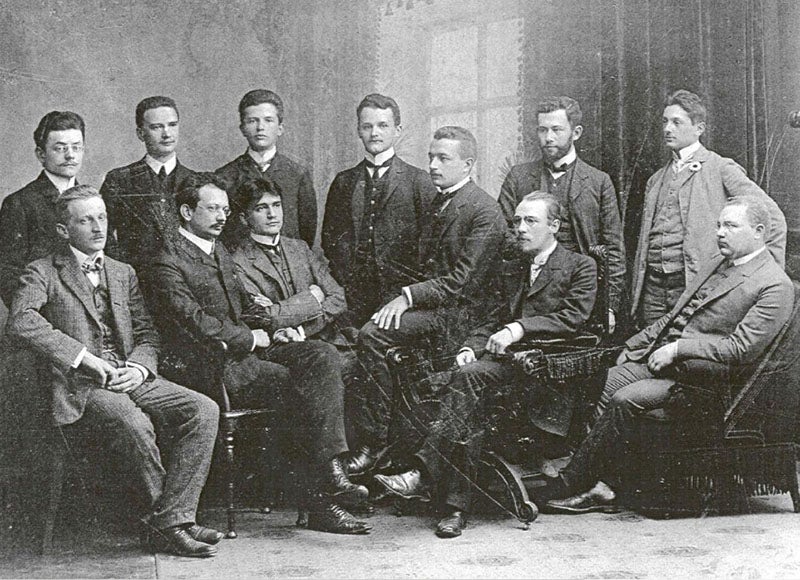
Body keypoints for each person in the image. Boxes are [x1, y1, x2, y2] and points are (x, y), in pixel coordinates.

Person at [5, 185, 221, 558]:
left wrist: (139, 367)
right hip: (81, 384)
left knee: (204, 410)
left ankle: (172, 518)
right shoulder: (42, 270)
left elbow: (146, 332)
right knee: (133, 423)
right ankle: (173, 524)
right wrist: (83, 357)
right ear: (62, 230)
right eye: (85, 219)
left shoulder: (123, 272)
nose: (97, 227)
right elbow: (21, 321)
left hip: (128, 375)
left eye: (101, 217)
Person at [149, 174, 372, 535]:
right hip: (211, 365)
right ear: (187, 211)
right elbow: (194, 321)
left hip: (245, 356)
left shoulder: (216, 250)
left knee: (320, 355)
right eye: (212, 209)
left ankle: (332, 470)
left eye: (224, 208)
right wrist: (251, 338)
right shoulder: (167, 259)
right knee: (303, 389)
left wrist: (273, 325)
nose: (222, 216)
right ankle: (322, 500)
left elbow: (246, 308)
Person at [547, 195, 794, 514]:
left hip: (705, 382)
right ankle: (602, 482)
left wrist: (677, 349)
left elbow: (740, 348)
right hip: (666, 361)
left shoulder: (774, 284)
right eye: (719, 225)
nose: (720, 232)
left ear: (759, 231)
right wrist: (633, 347)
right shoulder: (718, 263)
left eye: (730, 226)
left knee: (624, 399)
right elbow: (675, 316)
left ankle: (575, 482)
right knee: (598, 383)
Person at [374, 192, 597, 538]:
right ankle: (453, 509)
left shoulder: (580, 266)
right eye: (517, 221)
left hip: (545, 373)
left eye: (530, 221)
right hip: (498, 368)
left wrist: (518, 328)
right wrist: (471, 347)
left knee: (468, 384)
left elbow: (572, 319)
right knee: (467, 393)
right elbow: (490, 318)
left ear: (554, 226)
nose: (520, 229)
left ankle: (423, 475)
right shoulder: (512, 268)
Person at [354, 126, 505, 476]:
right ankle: (390, 444)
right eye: (431, 157)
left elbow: (461, 283)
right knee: (373, 329)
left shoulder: (484, 210)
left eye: (443, 158)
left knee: (372, 336)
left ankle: (375, 445)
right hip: (435, 309)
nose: (433, 166)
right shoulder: (439, 200)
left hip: (462, 317)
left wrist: (406, 297)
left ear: (467, 164)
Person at [631, 89, 787, 327]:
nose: (667, 129)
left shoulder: (720, 168)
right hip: (652, 288)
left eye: (676, 122)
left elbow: (772, 218)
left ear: (699, 129)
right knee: (650, 350)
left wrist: (767, 274)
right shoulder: (656, 179)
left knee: (685, 352)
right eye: (665, 122)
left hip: (695, 284)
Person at [498, 96, 625, 332]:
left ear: (575, 133)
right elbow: (503, 234)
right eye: (542, 130)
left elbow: (613, 249)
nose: (548, 138)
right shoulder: (518, 177)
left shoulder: (598, 182)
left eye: (556, 129)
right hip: (529, 288)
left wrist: (610, 307)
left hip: (580, 292)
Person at [322, 93, 437, 324]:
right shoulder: (344, 181)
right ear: (358, 131)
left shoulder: (418, 181)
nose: (375, 133)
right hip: (351, 294)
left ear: (397, 130)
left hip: (399, 295)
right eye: (367, 126)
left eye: (383, 125)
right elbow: (330, 238)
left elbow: (431, 243)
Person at [100, 96, 197, 295]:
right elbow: (104, 233)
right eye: (156, 127)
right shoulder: (119, 180)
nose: (167, 133)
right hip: (137, 285)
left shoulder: (197, 182)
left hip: (188, 286)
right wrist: (123, 273)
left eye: (172, 125)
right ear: (140, 133)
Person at [0, 111, 86, 305]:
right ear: (41, 154)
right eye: (60, 148)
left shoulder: (93, 200)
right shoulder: (19, 203)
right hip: (46, 311)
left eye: (76, 147)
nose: (70, 155)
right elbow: (8, 273)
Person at [215, 89, 318, 248]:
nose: (260, 127)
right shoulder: (225, 176)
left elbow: (306, 232)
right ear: (242, 128)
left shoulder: (297, 175)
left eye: (268, 120)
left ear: (280, 128)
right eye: (252, 121)